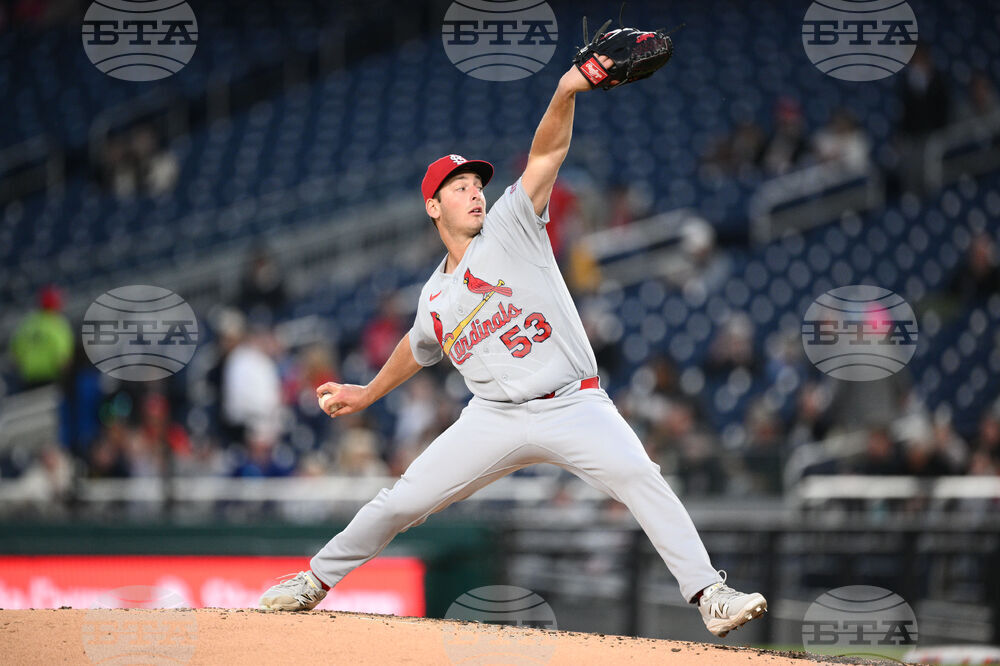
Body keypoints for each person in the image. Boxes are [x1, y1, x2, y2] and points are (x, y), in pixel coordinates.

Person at [259, 55, 767, 638]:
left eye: (478, 184)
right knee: (401, 502)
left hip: (573, 404)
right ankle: (313, 582)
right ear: (433, 207)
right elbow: (417, 344)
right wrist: (368, 392)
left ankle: (709, 594)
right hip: (494, 417)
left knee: (638, 474)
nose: (476, 194)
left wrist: (568, 87)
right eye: (460, 188)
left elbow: (547, 152)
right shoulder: (434, 296)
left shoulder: (510, 224)